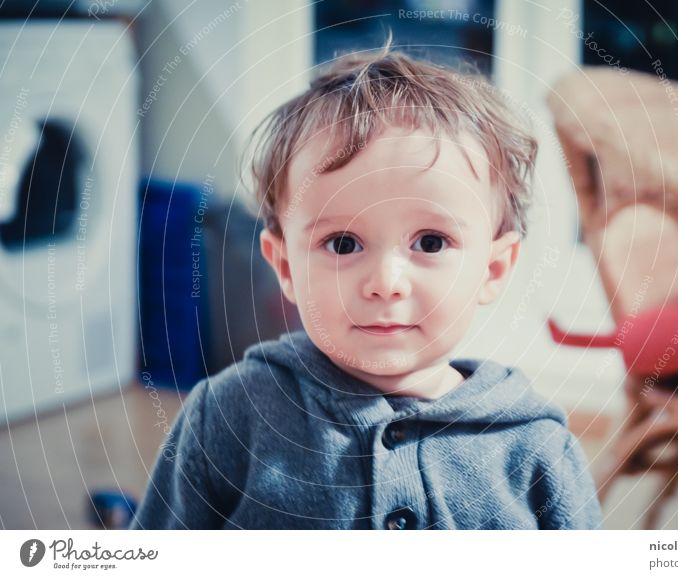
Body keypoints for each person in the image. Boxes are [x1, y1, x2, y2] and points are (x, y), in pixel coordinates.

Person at [130, 44, 602, 530]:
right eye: (342, 243)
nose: (385, 284)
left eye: (432, 241)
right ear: (286, 266)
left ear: (493, 270)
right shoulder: (229, 417)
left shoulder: (536, 450)